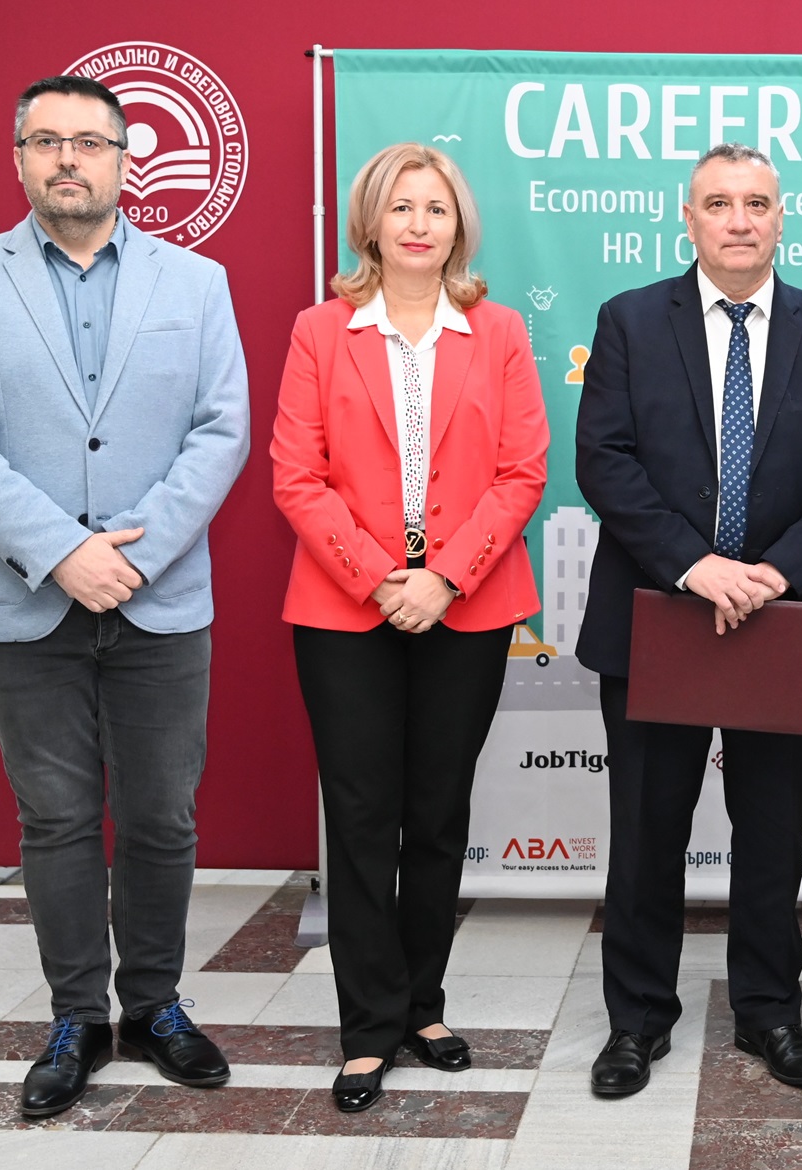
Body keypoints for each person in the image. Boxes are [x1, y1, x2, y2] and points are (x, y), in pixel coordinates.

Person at [0, 75, 249, 1117]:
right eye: (47, 141)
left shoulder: (197, 282)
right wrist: (62, 551)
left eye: (90, 142)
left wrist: (133, 557)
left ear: (123, 159)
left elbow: (221, 429)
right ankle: (77, 1019)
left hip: (158, 597)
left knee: (161, 816)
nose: (68, 159)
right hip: (22, 605)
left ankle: (153, 1006)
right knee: (56, 819)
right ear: (19, 157)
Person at [574, 143, 802, 1097]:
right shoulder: (629, 321)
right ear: (689, 219)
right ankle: (636, 1022)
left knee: (773, 831)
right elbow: (604, 459)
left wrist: (774, 574)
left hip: (779, 621)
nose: (739, 220)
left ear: (782, 218)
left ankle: (769, 1012)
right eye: (718, 203)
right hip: (659, 612)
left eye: (756, 203)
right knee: (646, 832)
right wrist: (696, 565)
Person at [271, 143, 549, 1112]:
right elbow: (296, 476)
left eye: (435, 207)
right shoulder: (321, 330)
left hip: (467, 607)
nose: (419, 223)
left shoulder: (499, 331)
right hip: (344, 610)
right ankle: (367, 1028)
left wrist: (446, 580)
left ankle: (423, 1007)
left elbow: (522, 472)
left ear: (458, 225)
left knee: (437, 815)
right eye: (401, 207)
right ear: (371, 224)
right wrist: (379, 579)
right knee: (360, 818)